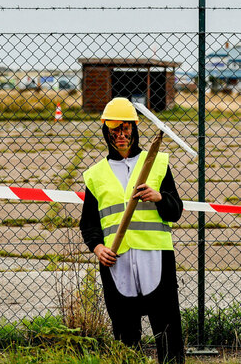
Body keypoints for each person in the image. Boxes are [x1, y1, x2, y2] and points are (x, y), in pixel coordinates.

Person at [78, 97, 184, 363]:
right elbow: (89, 222)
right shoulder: (96, 174)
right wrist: (98, 247)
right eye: (114, 130)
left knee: (167, 326)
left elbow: (176, 210)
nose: (121, 135)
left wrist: (159, 197)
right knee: (125, 331)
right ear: (106, 132)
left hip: (155, 257)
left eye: (126, 129)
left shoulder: (157, 164)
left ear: (135, 130)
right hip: (117, 262)